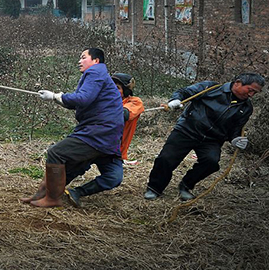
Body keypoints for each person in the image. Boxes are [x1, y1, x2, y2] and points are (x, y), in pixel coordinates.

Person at [24, 48, 123, 208]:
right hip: (106, 136)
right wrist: (56, 98)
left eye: (83, 57)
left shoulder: (95, 72)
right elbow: (81, 101)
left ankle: (52, 198)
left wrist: (56, 96)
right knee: (74, 163)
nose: (79, 61)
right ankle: (42, 193)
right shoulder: (99, 76)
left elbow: (83, 99)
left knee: (56, 153)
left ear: (96, 61)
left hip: (99, 133)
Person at [144, 72, 264, 201]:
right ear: (238, 83)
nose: (251, 95)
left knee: (211, 162)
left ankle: (186, 185)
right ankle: (154, 188)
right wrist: (175, 100)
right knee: (166, 159)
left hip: (212, 140)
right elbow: (184, 92)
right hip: (187, 130)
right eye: (250, 90)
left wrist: (236, 139)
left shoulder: (246, 108)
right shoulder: (211, 88)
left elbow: (235, 130)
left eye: (255, 93)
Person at [64, 72, 144, 207]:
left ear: (126, 91)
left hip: (112, 152)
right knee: (75, 167)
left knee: (114, 178)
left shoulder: (134, 102)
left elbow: (123, 114)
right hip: (92, 144)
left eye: (117, 88)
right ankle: (51, 190)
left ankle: (77, 192)